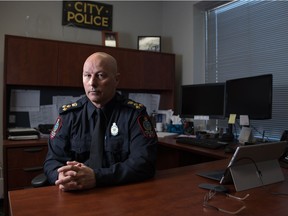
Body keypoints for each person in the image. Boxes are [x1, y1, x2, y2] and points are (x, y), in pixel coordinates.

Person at [44, 52, 158, 191]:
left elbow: (144, 163)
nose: (92, 83)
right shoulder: (69, 116)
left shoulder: (134, 115)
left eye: (100, 75)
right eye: (87, 75)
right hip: (75, 193)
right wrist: (60, 176)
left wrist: (97, 177)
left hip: (119, 193)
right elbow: (52, 160)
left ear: (116, 80)